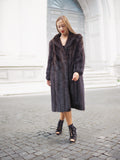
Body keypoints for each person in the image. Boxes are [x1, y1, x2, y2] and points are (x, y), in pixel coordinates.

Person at [46, 15, 85, 143]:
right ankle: (72, 128)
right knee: (64, 101)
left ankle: (60, 122)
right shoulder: (53, 42)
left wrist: (77, 71)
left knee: (66, 102)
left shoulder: (77, 38)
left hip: (71, 75)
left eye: (63, 25)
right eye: (58, 26)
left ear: (67, 24)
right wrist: (48, 76)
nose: (61, 28)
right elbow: (50, 60)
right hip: (57, 76)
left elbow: (80, 56)